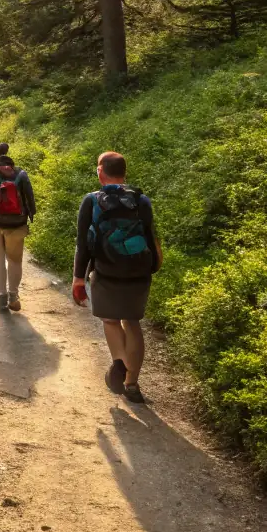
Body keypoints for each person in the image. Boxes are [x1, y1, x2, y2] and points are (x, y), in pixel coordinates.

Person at [71, 152, 163, 405]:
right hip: (139, 270)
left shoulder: (92, 201)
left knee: (111, 321)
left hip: (106, 270)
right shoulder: (140, 200)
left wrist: (78, 278)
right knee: (132, 323)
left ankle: (119, 363)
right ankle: (132, 384)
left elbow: (83, 244)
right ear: (125, 172)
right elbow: (150, 234)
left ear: (101, 171)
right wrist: (152, 266)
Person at [0, 155, 36, 312]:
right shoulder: (21, 174)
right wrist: (30, 216)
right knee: (15, 260)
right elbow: (30, 198)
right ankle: (13, 296)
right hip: (17, 223)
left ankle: (1, 295)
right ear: (12, 165)